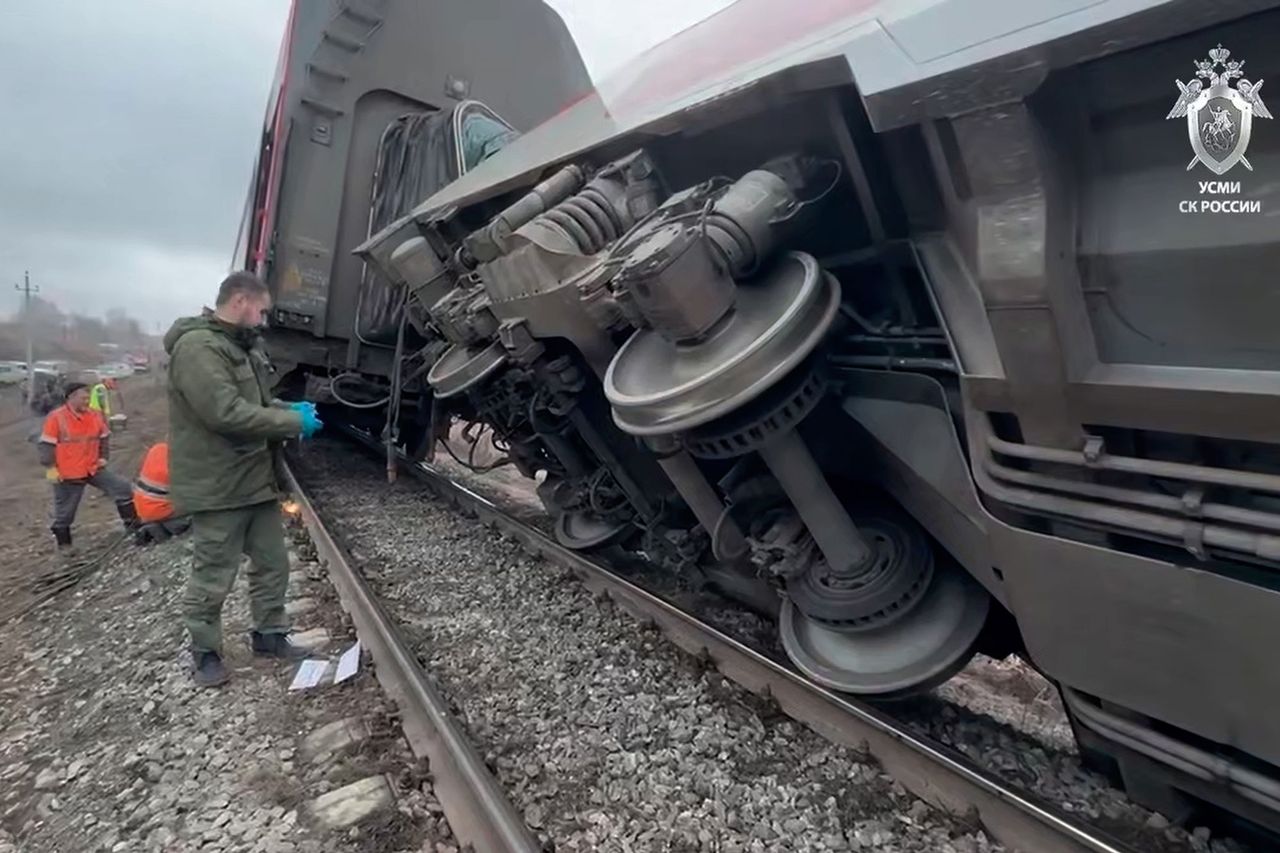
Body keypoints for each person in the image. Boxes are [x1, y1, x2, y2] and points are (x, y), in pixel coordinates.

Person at [166, 271, 323, 688]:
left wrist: (289, 408)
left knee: (272, 563)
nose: (263, 319)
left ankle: (270, 635)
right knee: (213, 573)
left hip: (254, 479)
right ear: (240, 301)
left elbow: (256, 402)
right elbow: (225, 413)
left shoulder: (241, 346)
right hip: (218, 485)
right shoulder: (198, 349)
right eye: (261, 310)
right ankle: (204, 653)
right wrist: (292, 423)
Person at [38, 382, 138, 552]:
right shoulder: (56, 418)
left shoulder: (94, 416)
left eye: (87, 398)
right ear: (70, 398)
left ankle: (134, 527)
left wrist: (103, 457)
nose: (87, 401)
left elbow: (104, 437)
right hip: (67, 472)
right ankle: (65, 546)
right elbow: (46, 445)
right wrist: (50, 467)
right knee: (65, 512)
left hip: (92, 467)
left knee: (122, 488)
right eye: (83, 398)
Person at [131, 440, 191, 544]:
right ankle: (171, 527)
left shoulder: (157, 448)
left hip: (141, 508)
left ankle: (153, 526)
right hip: (161, 510)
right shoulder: (182, 462)